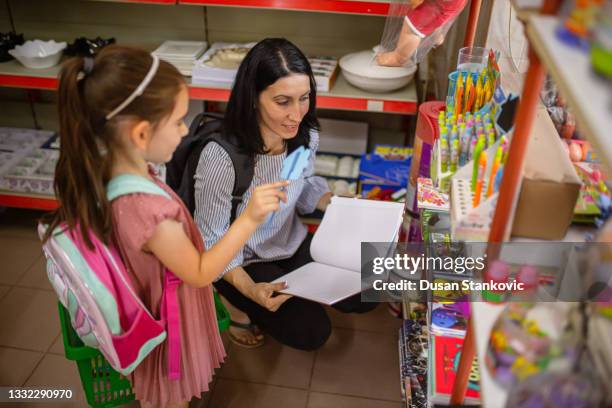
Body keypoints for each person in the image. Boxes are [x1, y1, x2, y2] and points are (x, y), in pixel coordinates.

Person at [43, 45, 288, 408]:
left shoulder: (104, 168)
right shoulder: (151, 213)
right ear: (141, 135)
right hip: (168, 323)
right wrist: (249, 218)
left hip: (149, 297)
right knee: (167, 400)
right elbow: (202, 273)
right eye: (177, 121)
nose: (183, 130)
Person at [195, 38, 377, 351]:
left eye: (304, 98)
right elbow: (211, 241)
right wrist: (250, 290)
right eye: (283, 102)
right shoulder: (222, 158)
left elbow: (301, 183)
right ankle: (231, 301)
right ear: (253, 97)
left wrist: (335, 203)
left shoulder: (303, 135)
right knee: (311, 333)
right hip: (243, 258)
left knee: (369, 290)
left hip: (287, 241)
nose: (297, 114)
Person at [376, 0, 468, 67]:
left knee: (411, 30)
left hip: (444, 3)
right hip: (452, 3)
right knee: (436, 16)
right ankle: (436, 36)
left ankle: (398, 57)